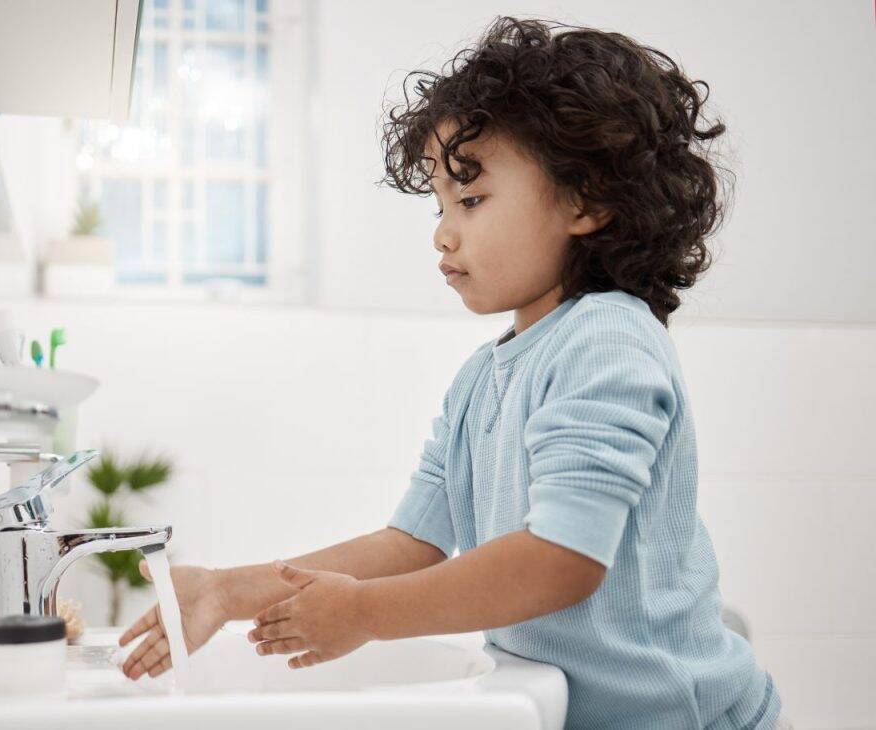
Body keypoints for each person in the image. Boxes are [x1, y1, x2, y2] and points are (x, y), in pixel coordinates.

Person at [118, 16, 789, 729]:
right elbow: (414, 542)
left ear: (586, 200)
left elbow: (561, 558)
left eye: (470, 200)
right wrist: (225, 591)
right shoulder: (483, 378)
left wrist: (366, 614)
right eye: (439, 204)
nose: (443, 230)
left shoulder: (606, 341)